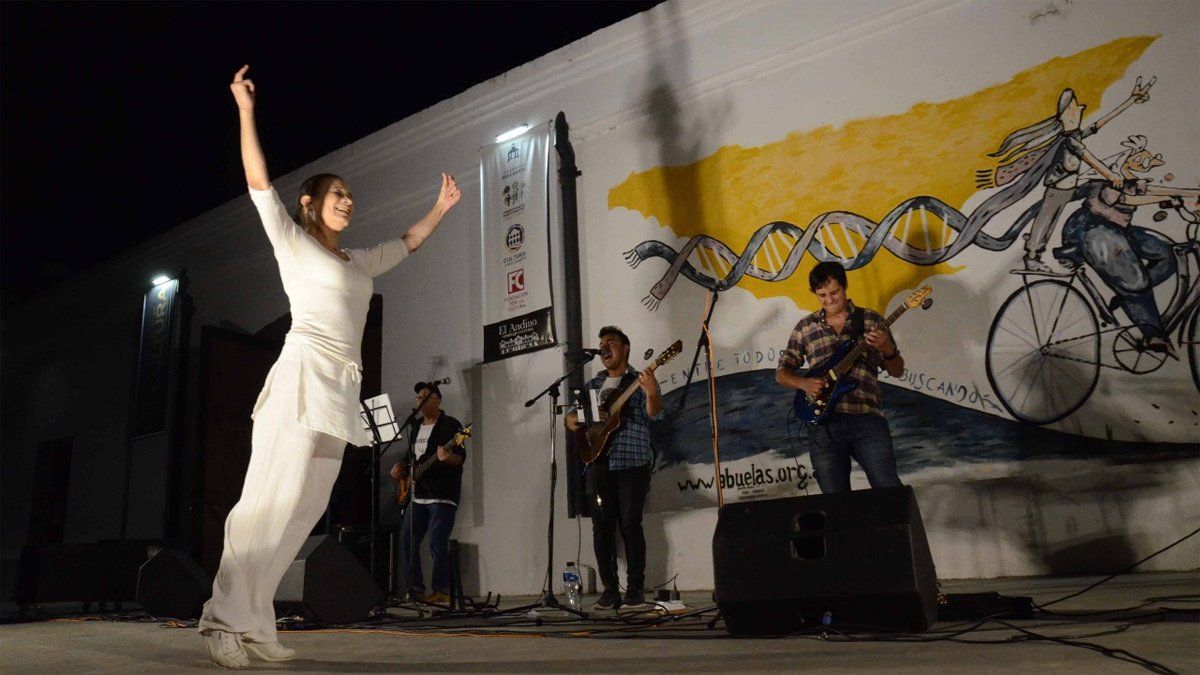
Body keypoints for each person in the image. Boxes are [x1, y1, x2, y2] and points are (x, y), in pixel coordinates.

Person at [198, 65, 461, 669]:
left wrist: (440, 207)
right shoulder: (292, 241)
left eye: (351, 195)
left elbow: (408, 241)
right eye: (337, 193)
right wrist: (244, 110)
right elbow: (259, 182)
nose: (349, 200)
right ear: (311, 204)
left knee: (304, 510)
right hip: (299, 380)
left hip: (339, 393)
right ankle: (222, 620)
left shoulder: (359, 262)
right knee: (269, 499)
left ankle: (256, 623)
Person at [775, 262, 905, 494]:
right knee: (835, 505)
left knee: (890, 492)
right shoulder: (805, 327)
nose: (829, 299)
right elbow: (782, 374)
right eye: (822, 295)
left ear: (845, 287)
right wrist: (804, 383)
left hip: (866, 419)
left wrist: (887, 348)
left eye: (834, 292)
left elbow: (897, 370)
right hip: (823, 425)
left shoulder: (871, 320)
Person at [564, 326, 663, 611]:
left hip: (632, 462)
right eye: (602, 344)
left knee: (631, 525)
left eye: (612, 342)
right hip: (598, 463)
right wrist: (578, 421)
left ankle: (634, 589)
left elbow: (655, 414)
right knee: (601, 528)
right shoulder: (593, 385)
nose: (605, 348)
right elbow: (572, 419)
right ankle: (609, 590)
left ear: (626, 348)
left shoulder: (640, 379)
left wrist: (652, 392)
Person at [391, 382, 466, 605]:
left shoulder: (451, 425)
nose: (420, 400)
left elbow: (459, 457)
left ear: (437, 400)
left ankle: (441, 590)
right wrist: (400, 467)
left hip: (442, 495)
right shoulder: (415, 427)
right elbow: (412, 456)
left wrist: (447, 457)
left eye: (425, 396)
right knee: (407, 539)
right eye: (418, 397)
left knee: (436, 542)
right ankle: (415, 589)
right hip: (418, 495)